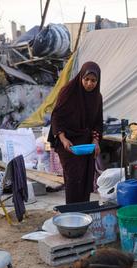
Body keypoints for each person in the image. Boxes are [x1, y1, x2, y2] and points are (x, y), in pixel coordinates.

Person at [48, 61, 103, 204]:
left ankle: (83, 212)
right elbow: (56, 117)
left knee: (85, 178)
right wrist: (63, 138)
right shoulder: (68, 92)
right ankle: (72, 213)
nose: (89, 83)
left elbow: (97, 122)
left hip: (85, 143)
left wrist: (96, 141)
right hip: (68, 142)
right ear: (80, 78)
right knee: (73, 179)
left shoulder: (97, 97)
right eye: (86, 79)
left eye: (93, 81)